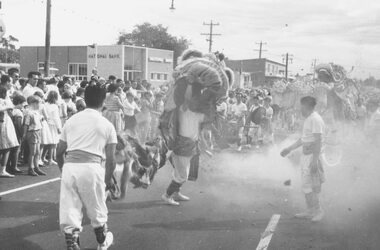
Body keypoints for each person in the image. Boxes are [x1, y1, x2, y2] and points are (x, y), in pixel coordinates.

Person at [56, 84, 116, 250]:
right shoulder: (107, 125)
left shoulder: (71, 120)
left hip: (70, 167)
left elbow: (58, 152)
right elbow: (111, 160)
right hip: (92, 168)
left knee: (70, 209)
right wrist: (107, 181)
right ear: (103, 101)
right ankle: (102, 242)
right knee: (97, 207)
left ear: (85, 99)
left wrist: (64, 170)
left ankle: (73, 244)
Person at [281, 96, 325, 222]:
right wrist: (289, 149)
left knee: (311, 185)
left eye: (301, 105)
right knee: (306, 185)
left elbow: (318, 141)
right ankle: (310, 210)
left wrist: (315, 161)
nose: (300, 108)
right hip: (306, 156)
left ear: (307, 106)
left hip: (312, 156)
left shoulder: (315, 119)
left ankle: (319, 210)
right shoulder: (309, 119)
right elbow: (303, 139)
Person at [23, 95, 46, 176]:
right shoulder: (29, 113)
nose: (40, 105)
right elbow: (26, 124)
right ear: (34, 103)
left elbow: (39, 121)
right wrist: (25, 134)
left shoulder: (37, 112)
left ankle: (36, 167)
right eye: (39, 103)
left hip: (38, 132)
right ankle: (30, 168)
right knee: (33, 152)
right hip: (32, 132)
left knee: (38, 152)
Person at [0, 86, 18, 177]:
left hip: (6, 122)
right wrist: (7, 107)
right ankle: (2, 170)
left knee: (6, 147)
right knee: (6, 147)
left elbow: (12, 113)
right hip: (3, 124)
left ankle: (3, 169)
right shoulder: (3, 101)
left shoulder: (5, 101)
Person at [7, 94, 27, 175]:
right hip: (17, 133)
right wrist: (22, 133)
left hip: (11, 131)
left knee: (11, 150)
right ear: (19, 103)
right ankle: (14, 166)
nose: (23, 106)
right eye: (22, 104)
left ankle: (8, 165)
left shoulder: (12, 110)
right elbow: (18, 124)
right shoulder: (18, 112)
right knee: (16, 150)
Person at [42, 91, 62, 166]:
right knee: (53, 143)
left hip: (47, 124)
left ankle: (43, 157)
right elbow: (56, 118)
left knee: (47, 142)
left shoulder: (45, 105)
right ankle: (50, 159)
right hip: (53, 125)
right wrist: (59, 127)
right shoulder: (55, 106)